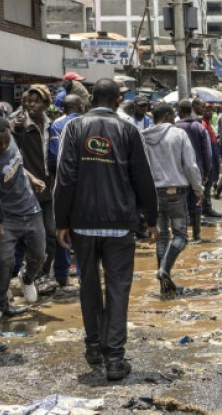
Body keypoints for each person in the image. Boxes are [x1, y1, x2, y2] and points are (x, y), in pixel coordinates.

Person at [55, 78, 159, 381]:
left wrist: (61, 222)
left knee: (88, 285)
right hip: (119, 224)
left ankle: (93, 348)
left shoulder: (73, 129)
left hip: (83, 225)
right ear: (117, 101)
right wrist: (151, 219)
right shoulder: (128, 130)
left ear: (90, 100)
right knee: (118, 290)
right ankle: (115, 358)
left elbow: (65, 178)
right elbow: (143, 178)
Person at [144, 103, 204, 297]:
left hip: (152, 194)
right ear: (169, 115)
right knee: (180, 236)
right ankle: (164, 271)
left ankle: (165, 285)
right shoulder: (178, 135)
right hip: (175, 193)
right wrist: (198, 189)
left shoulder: (143, 136)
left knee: (161, 236)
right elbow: (190, 165)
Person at [0, 117, 46, 319]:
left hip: (31, 209)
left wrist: (32, 177)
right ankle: (2, 304)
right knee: (2, 261)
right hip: (6, 216)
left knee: (39, 255)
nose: (2, 146)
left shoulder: (13, 141)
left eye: (5, 141)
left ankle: (27, 278)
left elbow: (18, 164)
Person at [11, 85, 54, 292]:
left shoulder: (50, 124)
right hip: (27, 189)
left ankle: (38, 274)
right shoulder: (19, 124)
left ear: (46, 104)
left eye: (37, 101)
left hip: (49, 188)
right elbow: (12, 157)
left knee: (52, 233)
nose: (32, 105)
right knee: (28, 237)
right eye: (29, 101)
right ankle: (26, 276)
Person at [47, 94, 84, 287]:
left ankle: (62, 275)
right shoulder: (88, 124)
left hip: (62, 184)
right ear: (81, 106)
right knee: (83, 230)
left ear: (63, 108)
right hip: (87, 187)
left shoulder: (57, 126)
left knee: (62, 225)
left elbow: (53, 159)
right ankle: (83, 273)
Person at [176, 100, 212, 243]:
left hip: (179, 172)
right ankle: (196, 236)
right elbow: (207, 152)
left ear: (179, 110)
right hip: (197, 170)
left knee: (182, 203)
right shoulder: (198, 127)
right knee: (197, 201)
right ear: (191, 110)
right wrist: (207, 172)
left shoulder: (174, 127)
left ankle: (182, 236)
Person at [197, 100, 222, 218]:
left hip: (213, 155)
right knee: (206, 185)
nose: (209, 112)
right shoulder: (202, 124)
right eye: (207, 110)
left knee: (209, 184)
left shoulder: (208, 124)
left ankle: (206, 207)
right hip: (208, 158)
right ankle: (206, 208)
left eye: (211, 111)